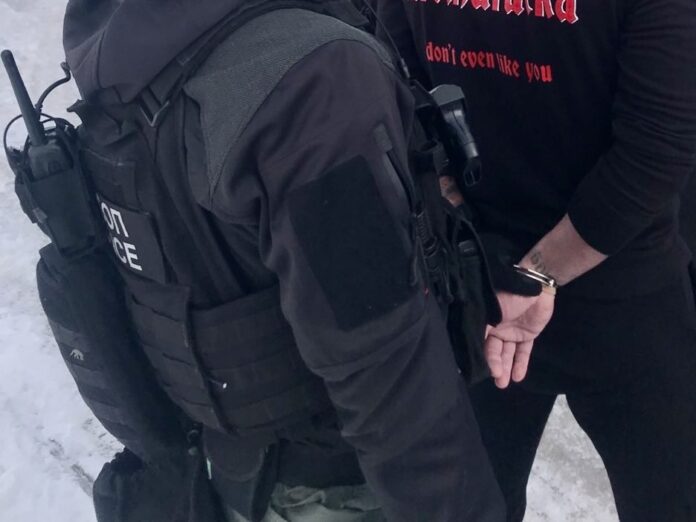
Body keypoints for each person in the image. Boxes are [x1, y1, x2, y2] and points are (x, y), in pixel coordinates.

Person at [49, 0, 509, 520]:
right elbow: (384, 364)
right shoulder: (311, 77)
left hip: (235, 467)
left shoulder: (128, 26)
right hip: (340, 485)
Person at [372, 1, 696, 521]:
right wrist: (522, 268)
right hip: (501, 292)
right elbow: (400, 87)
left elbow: (398, 92)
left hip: (538, 290)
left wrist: (494, 254)